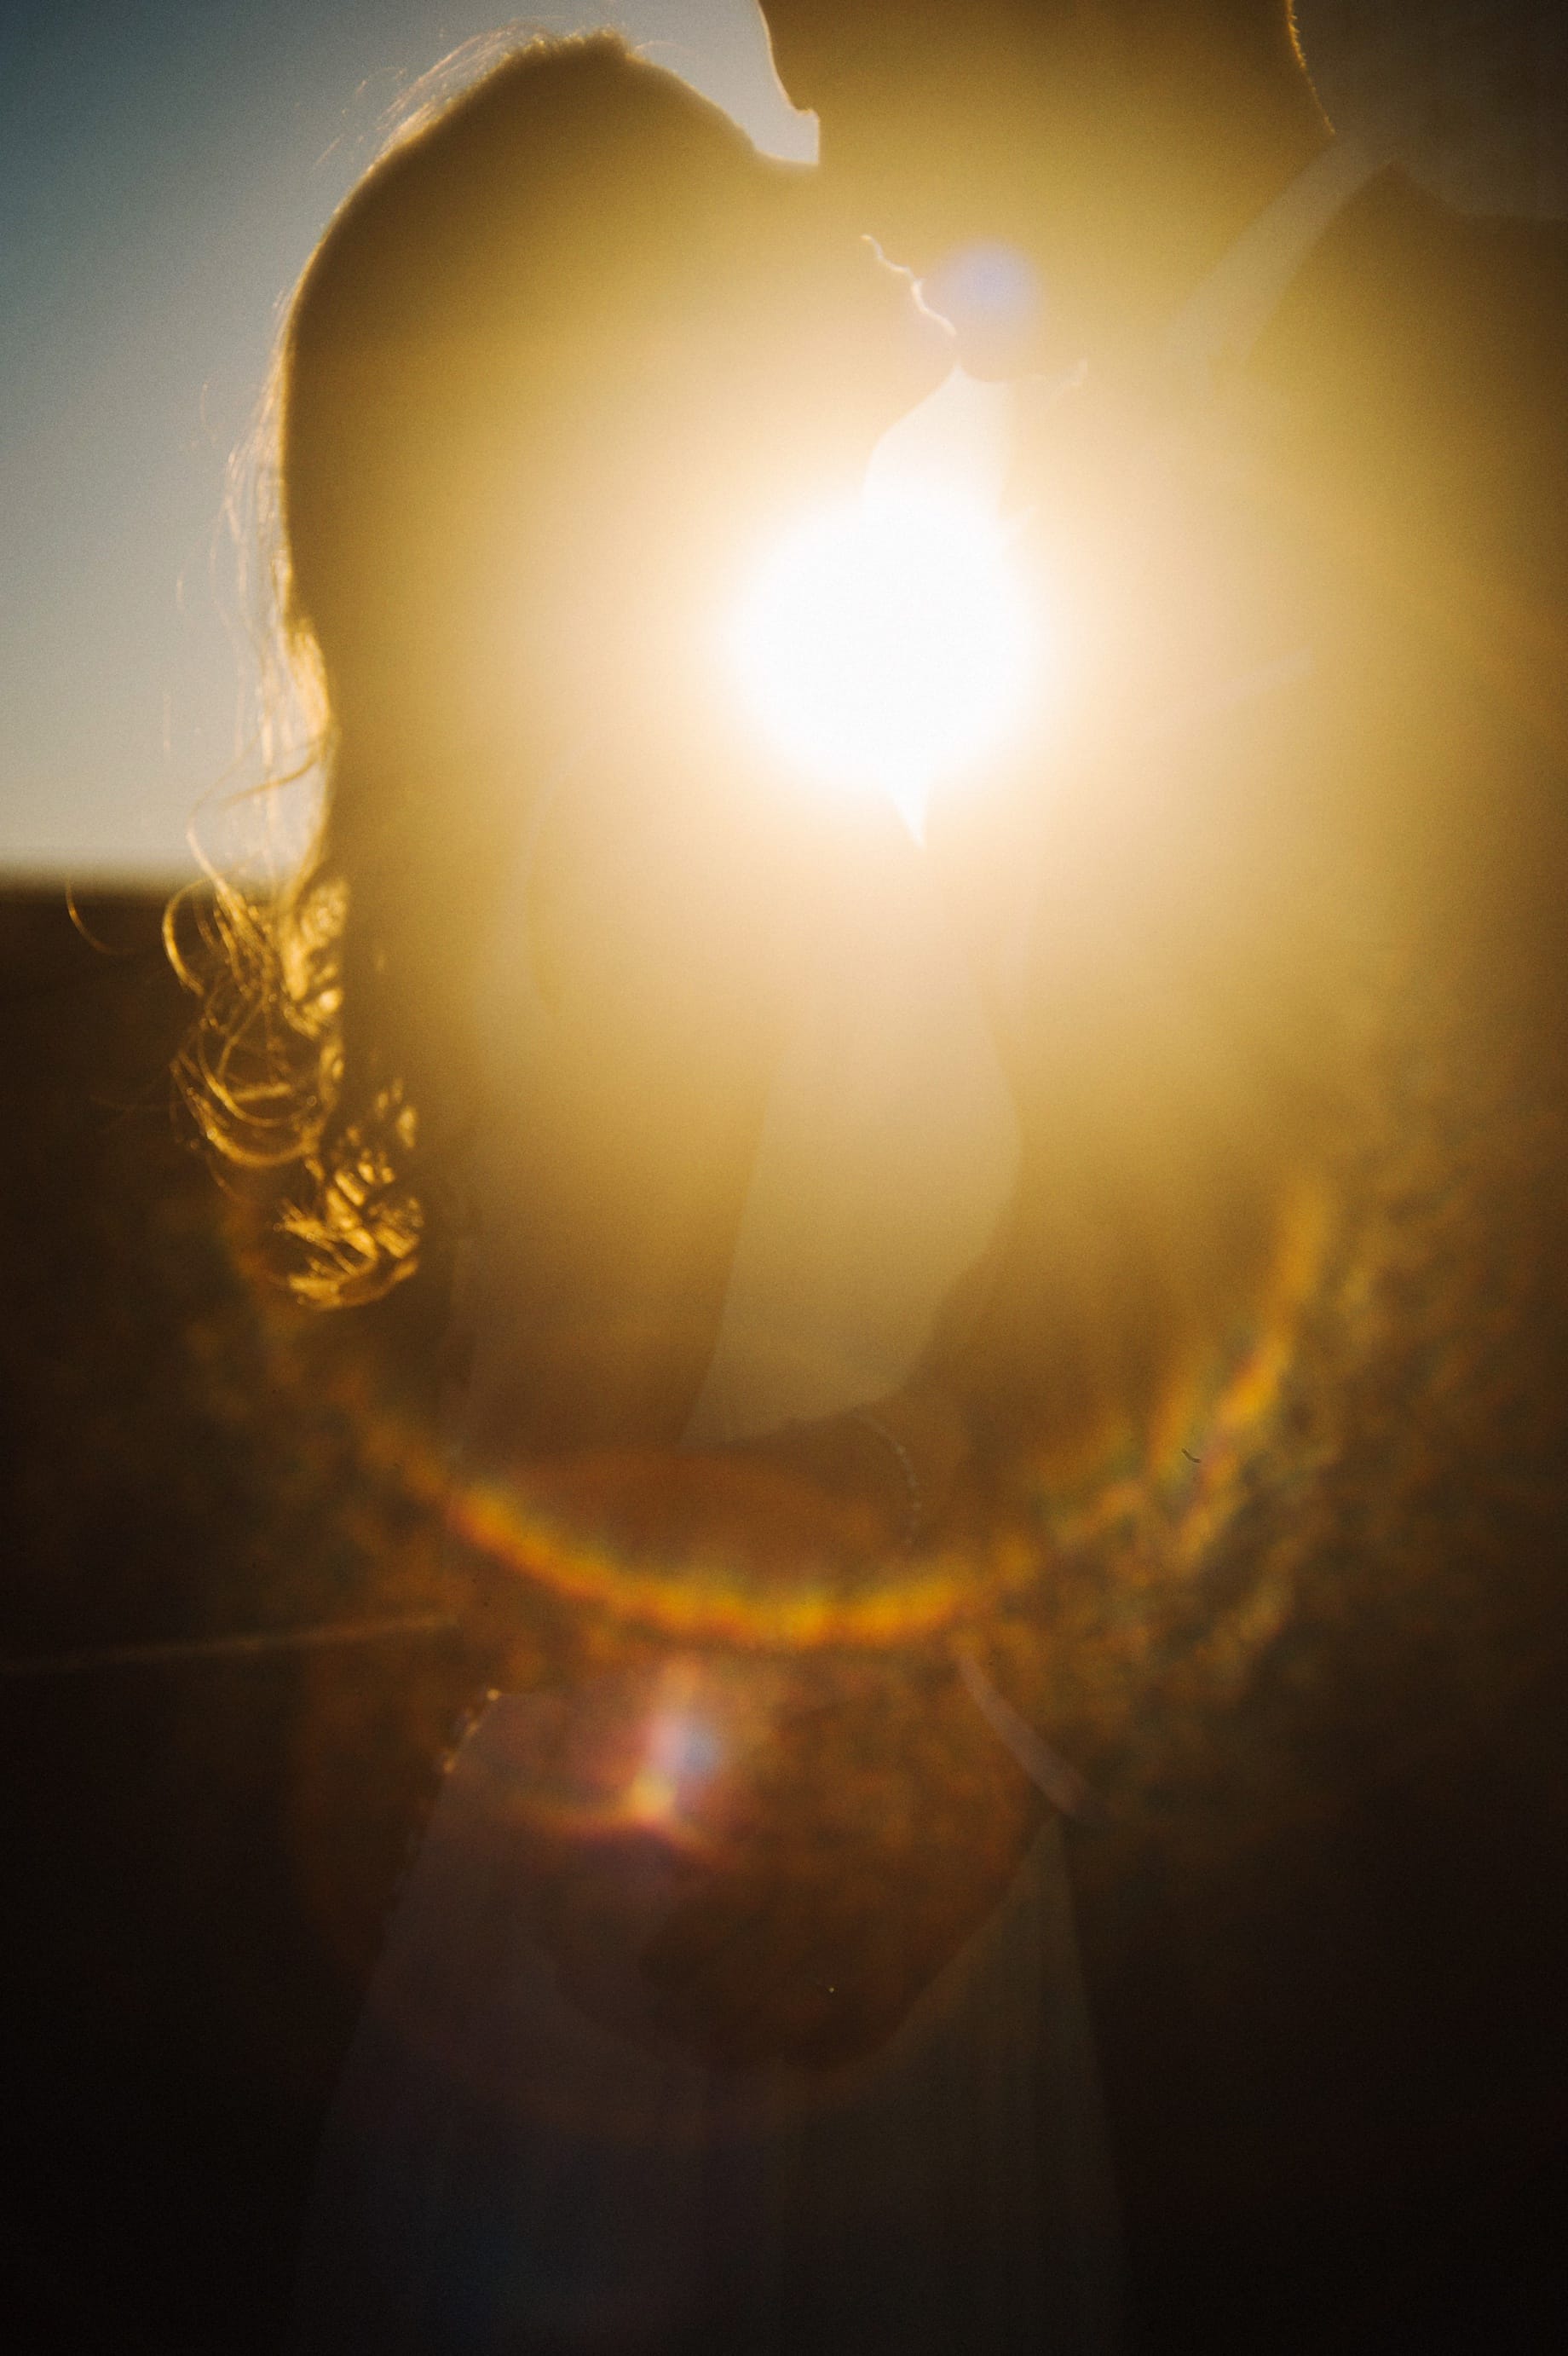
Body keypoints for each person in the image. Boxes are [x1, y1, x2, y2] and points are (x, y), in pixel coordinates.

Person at [176, 31, 1128, 2354]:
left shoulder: (666, 766)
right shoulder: (677, 797)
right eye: (734, 199)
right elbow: (578, 1471)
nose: (809, 200)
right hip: (741, 1894)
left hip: (777, 1823)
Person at [758, 0, 1568, 2343]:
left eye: (861, 56)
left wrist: (998, 1733)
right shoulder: (1036, 529)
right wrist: (900, 1464)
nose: (833, 148)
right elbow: (1120, 1167)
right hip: (1183, 1943)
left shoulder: (1520, 385)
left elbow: (1449, 1221)